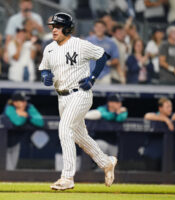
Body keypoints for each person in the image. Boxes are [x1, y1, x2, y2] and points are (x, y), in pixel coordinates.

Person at [39, 12, 117, 190]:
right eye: (53, 27)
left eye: (57, 27)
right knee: (81, 137)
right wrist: (45, 77)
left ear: (67, 28)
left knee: (65, 128)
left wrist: (93, 78)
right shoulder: (49, 48)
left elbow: (102, 56)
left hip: (80, 93)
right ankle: (106, 163)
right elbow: (44, 68)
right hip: (62, 97)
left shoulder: (80, 45)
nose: (54, 30)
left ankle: (67, 177)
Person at [143, 98, 175, 165]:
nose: (170, 108)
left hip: (169, 156)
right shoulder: (155, 115)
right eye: (167, 107)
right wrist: (165, 119)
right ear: (160, 108)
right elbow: (147, 116)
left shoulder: (173, 115)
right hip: (153, 156)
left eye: (171, 106)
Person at [3, 92, 44, 170]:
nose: (25, 102)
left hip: (15, 142)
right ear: (15, 102)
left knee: (12, 168)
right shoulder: (9, 108)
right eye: (22, 101)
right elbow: (18, 122)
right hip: (3, 142)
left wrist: (27, 115)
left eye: (25, 100)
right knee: (7, 168)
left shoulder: (29, 107)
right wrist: (23, 115)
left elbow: (41, 122)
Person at [86, 20, 121, 84]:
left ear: (105, 29)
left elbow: (116, 60)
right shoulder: (88, 40)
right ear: (94, 28)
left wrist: (108, 62)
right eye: (97, 27)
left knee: (105, 93)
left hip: (105, 75)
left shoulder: (111, 42)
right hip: (90, 74)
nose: (99, 29)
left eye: (101, 27)